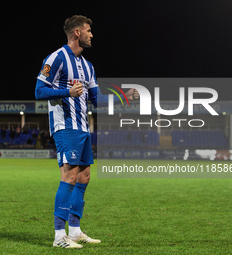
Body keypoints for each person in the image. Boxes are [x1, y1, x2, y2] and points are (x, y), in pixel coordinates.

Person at [35, 15, 138, 249]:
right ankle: (59, 236)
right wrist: (66, 93)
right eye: (89, 30)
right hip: (65, 126)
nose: (92, 34)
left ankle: (75, 231)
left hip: (83, 127)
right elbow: (39, 91)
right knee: (69, 176)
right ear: (77, 33)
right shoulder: (57, 58)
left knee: (83, 177)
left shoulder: (87, 66)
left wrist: (124, 96)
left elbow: (97, 99)